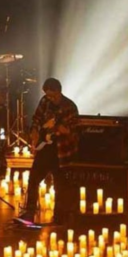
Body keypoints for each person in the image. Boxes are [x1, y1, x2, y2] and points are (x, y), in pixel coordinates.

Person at [15, 77, 78, 225]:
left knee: (59, 185)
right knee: (33, 180)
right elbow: (36, 118)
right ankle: (29, 213)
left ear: (59, 92)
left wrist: (60, 129)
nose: (49, 98)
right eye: (47, 95)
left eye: (52, 95)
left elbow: (73, 131)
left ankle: (59, 216)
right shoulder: (45, 102)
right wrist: (35, 132)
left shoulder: (69, 107)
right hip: (45, 149)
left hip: (61, 151)